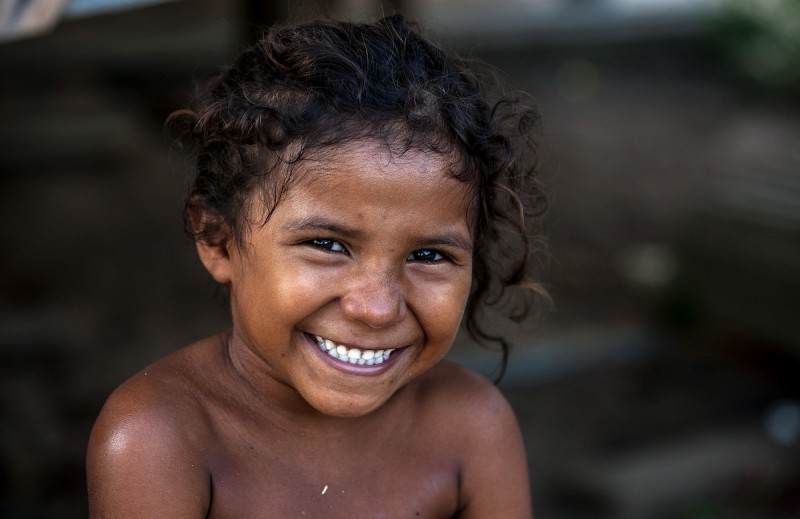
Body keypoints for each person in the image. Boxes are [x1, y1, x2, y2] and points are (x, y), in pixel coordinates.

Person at [87, 13, 547, 518]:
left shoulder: (470, 426)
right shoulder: (160, 437)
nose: (376, 308)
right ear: (218, 241)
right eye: (328, 245)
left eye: (428, 255)